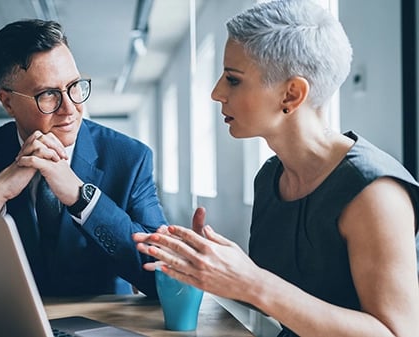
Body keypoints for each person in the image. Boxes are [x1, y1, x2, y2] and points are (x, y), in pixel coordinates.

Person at [133, 0, 419, 336]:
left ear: (291, 94)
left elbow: (398, 333)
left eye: (233, 80)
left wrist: (252, 282)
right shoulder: (270, 177)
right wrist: (211, 265)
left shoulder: (374, 194)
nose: (216, 93)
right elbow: (281, 302)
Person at [0, 19, 167, 298]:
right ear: (7, 102)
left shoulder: (129, 158)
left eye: (74, 86)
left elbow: (162, 276)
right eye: (48, 95)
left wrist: (83, 199)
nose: (70, 109)